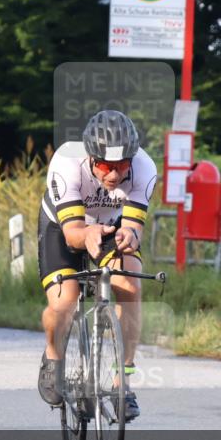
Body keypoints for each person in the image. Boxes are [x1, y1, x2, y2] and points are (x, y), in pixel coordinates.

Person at [37, 110, 157, 421]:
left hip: (111, 227)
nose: (114, 175)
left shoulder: (144, 166)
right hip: (64, 226)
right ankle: (53, 356)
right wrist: (87, 233)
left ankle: (123, 382)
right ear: (91, 157)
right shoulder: (66, 163)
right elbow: (73, 233)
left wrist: (130, 234)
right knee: (64, 302)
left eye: (121, 166)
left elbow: (133, 226)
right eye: (105, 166)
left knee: (129, 284)